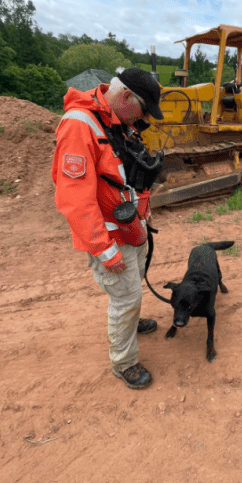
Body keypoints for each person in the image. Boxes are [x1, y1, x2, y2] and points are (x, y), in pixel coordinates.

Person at [51, 67, 164, 390]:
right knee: (125, 297)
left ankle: (132, 320)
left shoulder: (114, 121)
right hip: (112, 236)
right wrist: (103, 249)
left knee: (133, 286)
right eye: (143, 110)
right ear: (126, 96)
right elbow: (75, 199)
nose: (143, 118)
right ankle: (124, 362)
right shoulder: (80, 125)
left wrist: (144, 217)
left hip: (133, 228)